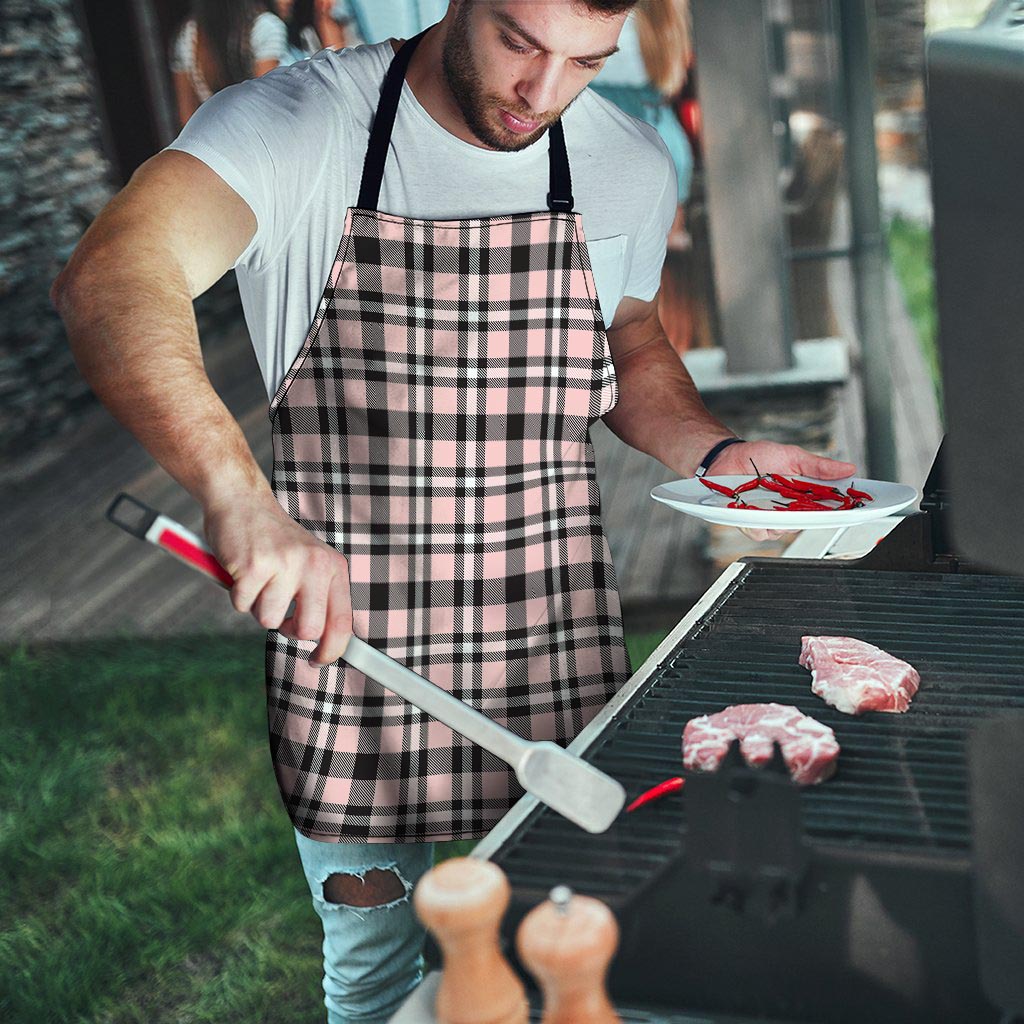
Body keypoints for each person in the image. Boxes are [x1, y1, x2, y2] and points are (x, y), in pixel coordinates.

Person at [52, 2, 856, 1020]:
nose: (543, 93)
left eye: (585, 62)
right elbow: (112, 275)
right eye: (521, 43)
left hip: (551, 641)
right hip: (353, 660)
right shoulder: (299, 125)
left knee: (575, 951)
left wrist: (719, 450)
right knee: (381, 978)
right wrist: (238, 495)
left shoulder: (624, 160)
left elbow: (631, 338)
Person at [170, 0, 289, 127]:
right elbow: (266, 104)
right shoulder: (265, 27)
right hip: (264, 136)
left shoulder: (187, 36)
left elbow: (187, 117)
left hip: (215, 138)